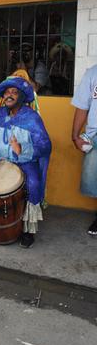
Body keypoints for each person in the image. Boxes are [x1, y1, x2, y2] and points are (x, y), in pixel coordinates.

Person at [0, 76, 51, 248]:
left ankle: (28, 231)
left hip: (24, 161)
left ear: (22, 97)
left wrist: (22, 149)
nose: (9, 95)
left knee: (33, 183)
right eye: (7, 92)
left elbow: (44, 145)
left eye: (14, 92)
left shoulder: (31, 118)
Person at [71, 64, 97, 235]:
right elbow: (82, 106)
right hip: (95, 136)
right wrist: (75, 135)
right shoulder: (93, 73)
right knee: (94, 180)